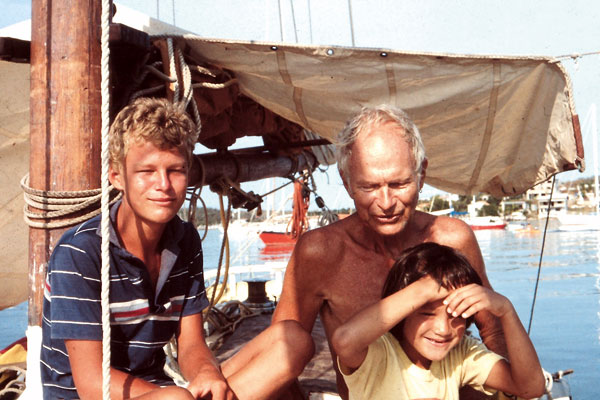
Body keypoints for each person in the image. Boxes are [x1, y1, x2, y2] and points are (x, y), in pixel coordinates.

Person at [40, 97, 313, 400]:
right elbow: (92, 385)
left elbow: (191, 345)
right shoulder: (79, 253)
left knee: (293, 339)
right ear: (117, 176)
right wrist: (176, 394)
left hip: (162, 392)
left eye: (175, 170)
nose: (164, 185)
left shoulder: (184, 241)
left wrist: (207, 372)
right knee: (177, 398)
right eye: (147, 171)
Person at [272, 105, 508, 399]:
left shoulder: (452, 239)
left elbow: (494, 333)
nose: (386, 202)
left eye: (399, 184)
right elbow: (280, 353)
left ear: (421, 174)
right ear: (346, 183)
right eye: (369, 186)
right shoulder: (320, 252)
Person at [331, 242, 546, 399]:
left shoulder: (461, 353)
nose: (443, 329)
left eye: (455, 314)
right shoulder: (378, 351)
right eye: (426, 313)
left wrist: (506, 311)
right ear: (403, 312)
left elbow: (530, 387)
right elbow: (344, 340)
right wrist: (423, 290)